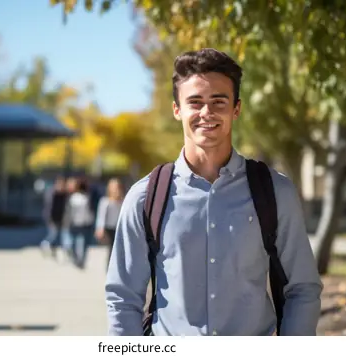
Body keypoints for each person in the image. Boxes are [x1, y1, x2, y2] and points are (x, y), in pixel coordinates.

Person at [105, 48, 323, 336]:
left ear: (236, 108)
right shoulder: (146, 197)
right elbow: (123, 298)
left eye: (218, 102)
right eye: (195, 102)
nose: (206, 112)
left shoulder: (275, 192)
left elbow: (303, 288)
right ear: (177, 110)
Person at [63, 177, 94, 269]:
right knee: (75, 243)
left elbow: (90, 210)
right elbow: (68, 212)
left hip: (84, 223)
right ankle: (77, 259)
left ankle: (80, 260)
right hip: (76, 223)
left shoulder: (86, 197)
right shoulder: (73, 198)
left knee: (82, 243)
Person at [95, 178, 125, 270]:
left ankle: (117, 267)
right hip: (109, 228)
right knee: (112, 248)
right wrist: (100, 228)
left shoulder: (123, 201)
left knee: (119, 249)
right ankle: (110, 268)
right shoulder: (105, 201)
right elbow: (101, 216)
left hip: (119, 228)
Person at [41, 176, 68, 259]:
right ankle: (45, 244)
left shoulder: (65, 194)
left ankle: (57, 250)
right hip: (52, 217)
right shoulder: (51, 193)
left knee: (61, 235)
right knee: (53, 234)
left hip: (62, 218)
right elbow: (48, 206)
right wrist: (49, 218)